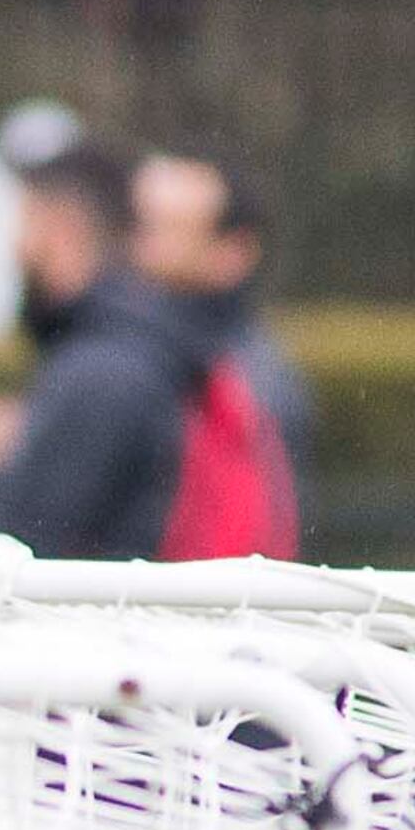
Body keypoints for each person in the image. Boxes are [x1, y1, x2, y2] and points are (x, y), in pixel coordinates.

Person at [0, 140, 227, 559]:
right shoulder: (125, 345)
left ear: (62, 226)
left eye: (24, 219)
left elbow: (7, 554)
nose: (14, 244)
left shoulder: (104, 370)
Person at [131, 151, 310, 550]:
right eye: (138, 223)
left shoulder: (248, 384)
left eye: (169, 227)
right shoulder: (130, 348)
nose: (140, 245)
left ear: (234, 252)